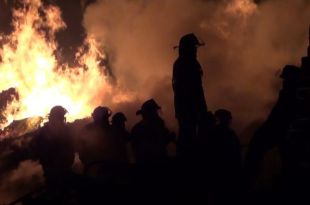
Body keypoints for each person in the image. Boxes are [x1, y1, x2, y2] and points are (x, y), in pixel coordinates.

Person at [172, 33, 207, 158]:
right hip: (188, 109)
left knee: (190, 137)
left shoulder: (188, 63)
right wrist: (200, 108)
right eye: (193, 48)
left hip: (188, 109)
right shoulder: (185, 64)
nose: (195, 50)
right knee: (188, 138)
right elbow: (191, 89)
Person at [31, 106, 75, 188]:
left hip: (60, 168)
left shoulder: (64, 130)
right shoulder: (46, 132)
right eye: (61, 117)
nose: (63, 119)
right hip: (53, 170)